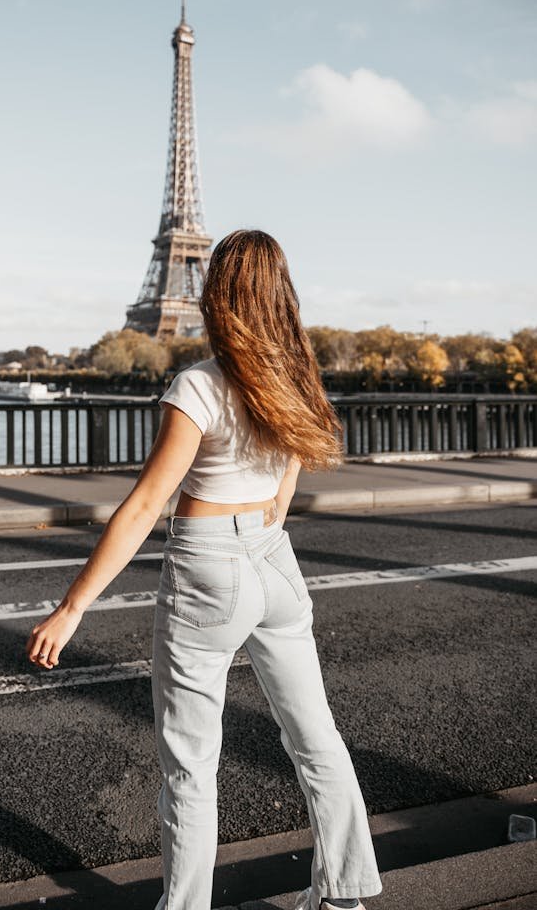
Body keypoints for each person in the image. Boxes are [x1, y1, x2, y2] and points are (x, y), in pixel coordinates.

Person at [25, 229, 383, 910]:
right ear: (281, 293)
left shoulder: (198, 385)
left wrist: (72, 608)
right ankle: (341, 896)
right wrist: (263, 527)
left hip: (206, 565)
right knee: (314, 739)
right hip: (274, 561)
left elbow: (144, 506)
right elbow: (283, 489)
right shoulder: (295, 378)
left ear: (216, 293)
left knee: (190, 764)